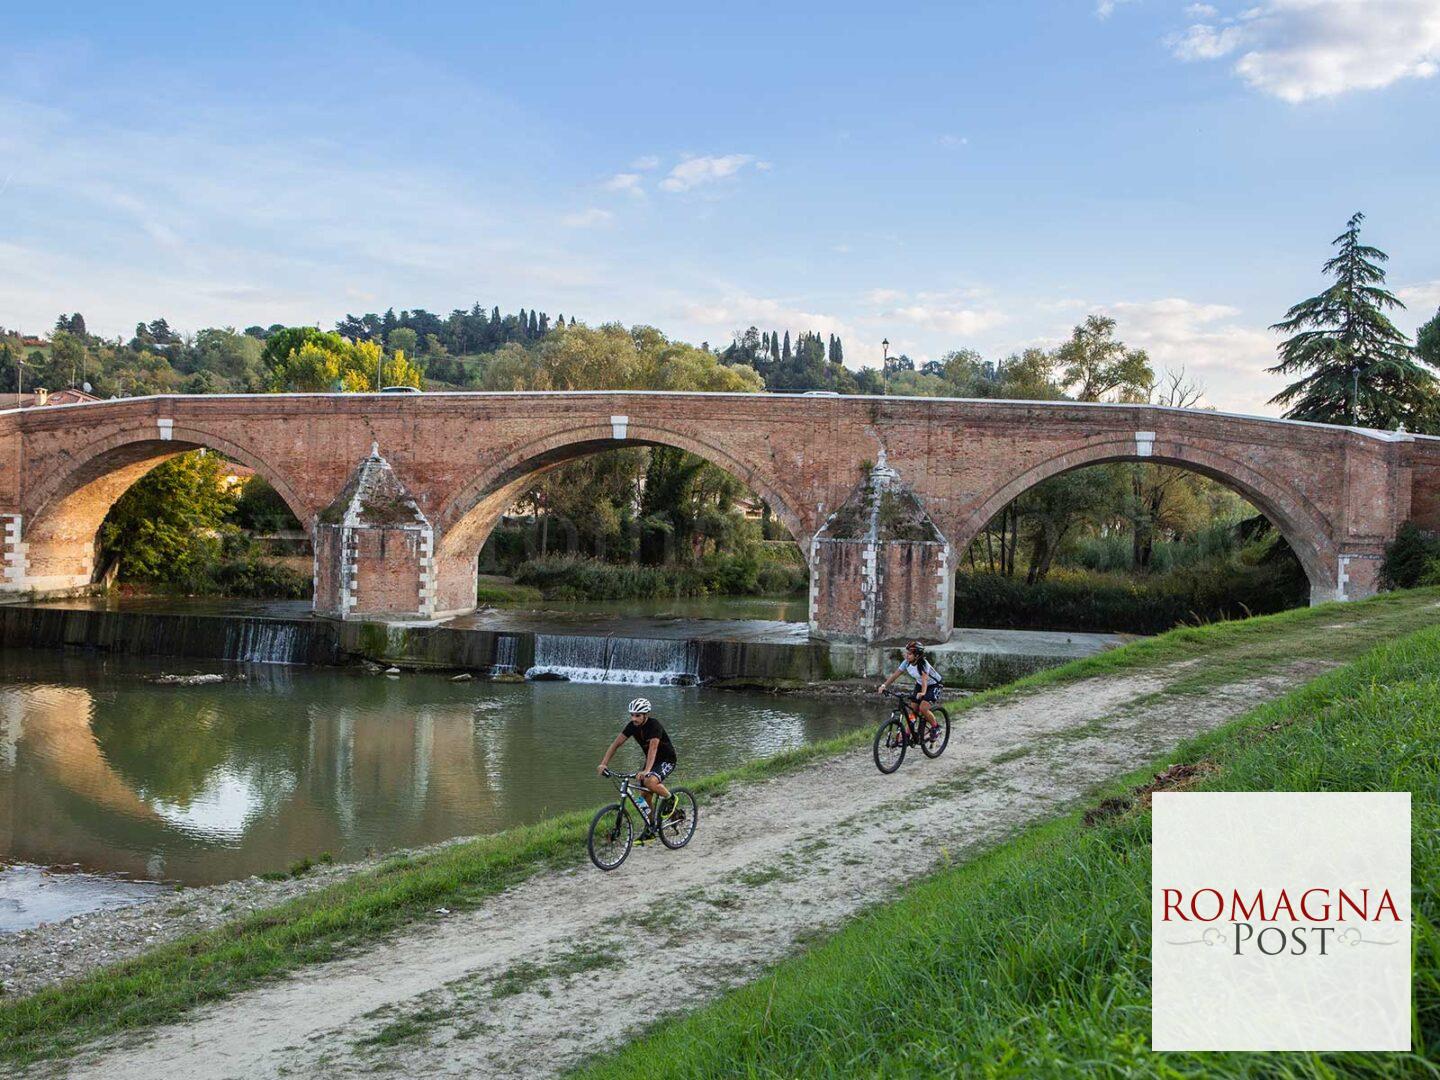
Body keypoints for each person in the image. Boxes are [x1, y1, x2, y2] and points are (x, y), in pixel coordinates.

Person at [596, 697, 679, 841]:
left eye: (637, 715)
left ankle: (671, 798)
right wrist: (603, 763)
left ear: (646, 715)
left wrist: (646, 771)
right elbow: (615, 744)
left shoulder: (654, 725)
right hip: (651, 762)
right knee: (643, 797)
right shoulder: (632, 726)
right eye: (632, 715)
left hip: (666, 759)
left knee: (650, 782)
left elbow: (653, 749)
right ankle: (650, 828)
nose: (634, 718)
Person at [878, 640, 944, 740]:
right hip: (920, 684)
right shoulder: (906, 663)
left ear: (917, 656)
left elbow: (925, 680)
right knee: (913, 711)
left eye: (909, 654)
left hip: (934, 685)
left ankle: (936, 727)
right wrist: (884, 685)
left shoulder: (923, 664)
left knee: (923, 708)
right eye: (906, 653)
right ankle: (908, 734)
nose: (906, 656)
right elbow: (895, 675)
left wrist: (923, 693)